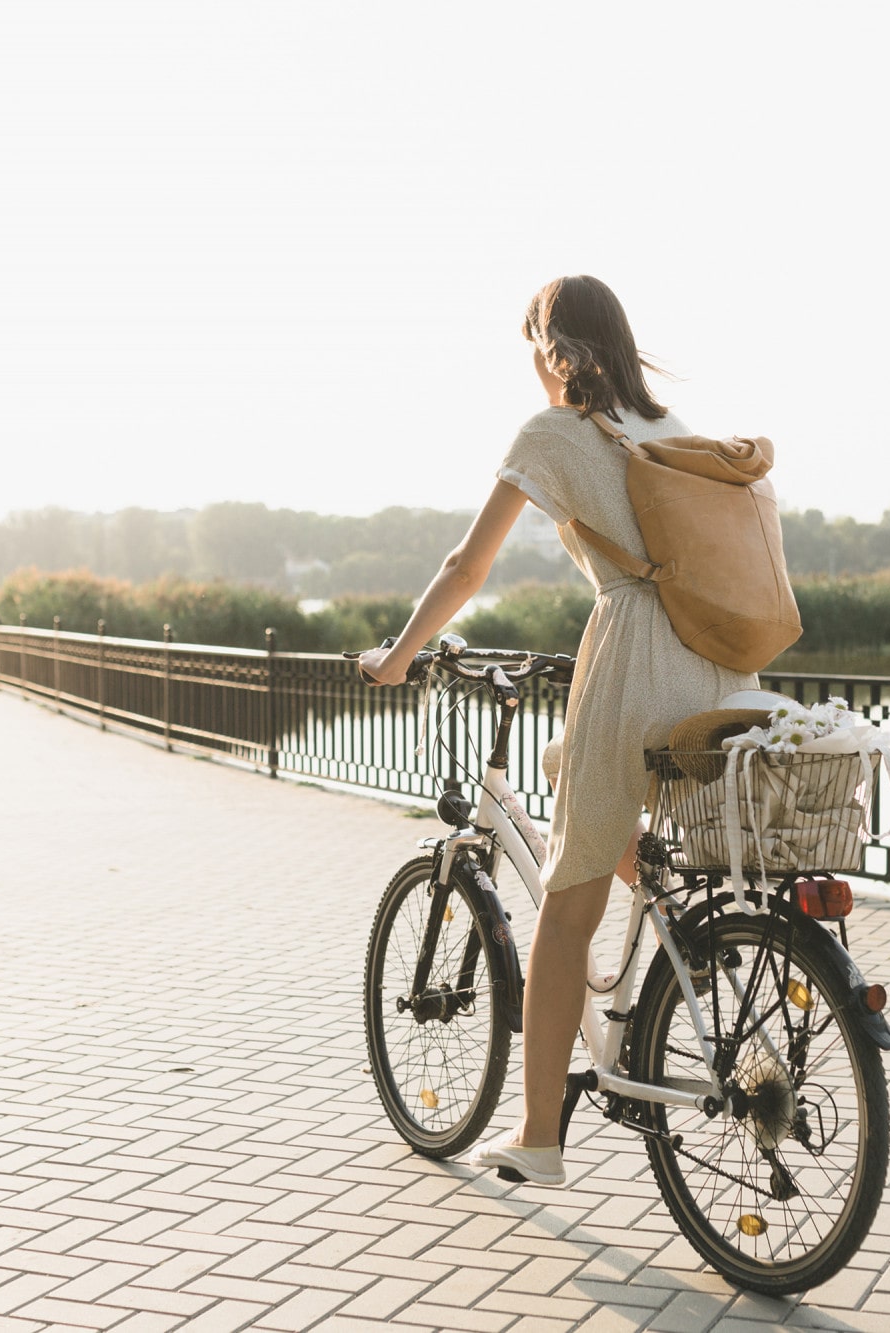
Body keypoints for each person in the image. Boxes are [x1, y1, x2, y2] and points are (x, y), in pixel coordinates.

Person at [357, 276, 758, 1187]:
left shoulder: (556, 433)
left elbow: (468, 565)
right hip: (722, 664)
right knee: (565, 762)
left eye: (535, 345)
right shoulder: (672, 432)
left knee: (565, 911)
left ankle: (540, 1137)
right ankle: (668, 915)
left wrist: (397, 656)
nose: (535, 365)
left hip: (637, 658)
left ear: (558, 349)